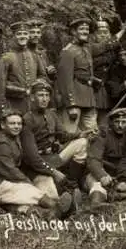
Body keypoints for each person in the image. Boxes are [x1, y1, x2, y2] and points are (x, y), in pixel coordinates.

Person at [0, 109, 72, 218]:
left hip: (4, 180)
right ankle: (56, 208)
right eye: (12, 123)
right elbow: (10, 171)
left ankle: (46, 210)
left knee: (37, 185)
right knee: (30, 191)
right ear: (3, 125)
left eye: (19, 123)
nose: (16, 126)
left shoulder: (14, 138)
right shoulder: (0, 143)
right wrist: (28, 182)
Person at [21, 78, 89, 209]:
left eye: (47, 95)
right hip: (37, 166)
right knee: (52, 197)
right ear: (32, 97)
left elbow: (62, 135)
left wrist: (80, 134)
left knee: (81, 143)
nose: (44, 99)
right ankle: (64, 194)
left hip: (54, 157)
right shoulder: (27, 120)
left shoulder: (51, 114)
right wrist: (53, 172)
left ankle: (71, 183)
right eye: (40, 95)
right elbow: (32, 158)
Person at [85, 108, 126, 209]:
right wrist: (102, 175)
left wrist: (125, 180)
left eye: (123, 122)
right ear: (111, 122)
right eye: (116, 122)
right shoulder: (102, 135)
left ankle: (115, 196)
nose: (120, 125)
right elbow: (93, 159)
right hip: (103, 171)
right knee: (94, 182)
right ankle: (96, 203)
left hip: (119, 173)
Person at [0, 21, 47, 118]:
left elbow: (42, 76)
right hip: (13, 104)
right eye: (19, 34)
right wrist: (1, 109)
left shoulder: (34, 56)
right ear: (13, 36)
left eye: (25, 34)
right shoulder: (6, 58)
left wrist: (35, 86)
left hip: (32, 104)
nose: (23, 36)